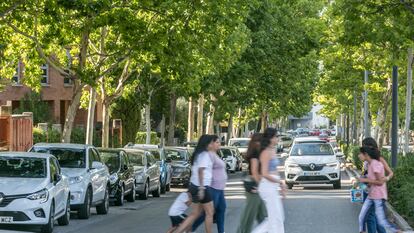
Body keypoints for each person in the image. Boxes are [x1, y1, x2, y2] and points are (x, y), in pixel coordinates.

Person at [173, 135, 217, 233]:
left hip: (194, 185)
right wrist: (201, 188)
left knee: (195, 213)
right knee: (210, 212)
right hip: (202, 187)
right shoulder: (204, 155)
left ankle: (179, 231)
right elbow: (201, 170)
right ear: (206, 144)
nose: (212, 144)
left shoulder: (198, 154)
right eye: (211, 143)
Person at [357, 146, 401, 233]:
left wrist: (364, 180)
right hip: (371, 195)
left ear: (366, 154)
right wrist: (362, 185)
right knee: (362, 217)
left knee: (380, 220)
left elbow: (380, 182)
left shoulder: (375, 164)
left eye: (360, 153)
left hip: (378, 196)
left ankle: (396, 231)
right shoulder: (369, 164)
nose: (359, 155)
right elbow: (372, 182)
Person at [252, 128, 286, 233]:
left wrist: (280, 185)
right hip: (267, 186)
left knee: (278, 218)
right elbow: (265, 173)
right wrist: (280, 182)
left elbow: (274, 171)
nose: (278, 138)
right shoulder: (266, 152)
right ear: (270, 138)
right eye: (276, 136)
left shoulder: (272, 150)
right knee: (275, 219)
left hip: (272, 186)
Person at [192, 136, 227, 233]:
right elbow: (203, 170)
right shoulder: (208, 155)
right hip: (213, 187)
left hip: (220, 188)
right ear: (210, 144)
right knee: (207, 213)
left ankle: (221, 231)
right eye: (216, 142)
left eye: (219, 142)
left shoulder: (215, 154)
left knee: (221, 209)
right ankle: (190, 228)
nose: (218, 144)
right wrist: (202, 187)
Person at [236, 133, 267, 233]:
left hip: (256, 186)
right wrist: (260, 186)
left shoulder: (258, 153)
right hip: (254, 186)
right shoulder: (254, 154)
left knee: (263, 216)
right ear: (256, 142)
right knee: (249, 216)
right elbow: (254, 172)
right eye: (261, 141)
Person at [361, 137, 394, 233]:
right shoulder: (367, 160)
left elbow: (391, 173)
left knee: (370, 217)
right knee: (374, 217)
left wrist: (386, 178)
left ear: (372, 147)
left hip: (378, 192)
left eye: (366, 147)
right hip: (367, 190)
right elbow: (365, 173)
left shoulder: (380, 159)